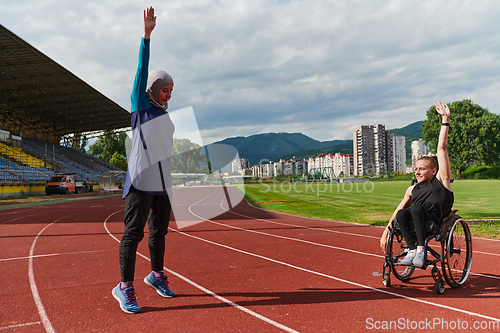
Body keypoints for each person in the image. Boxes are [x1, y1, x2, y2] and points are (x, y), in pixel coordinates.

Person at [112, 6, 176, 314]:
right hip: (140, 181)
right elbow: (141, 70)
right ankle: (124, 286)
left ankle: (157, 275)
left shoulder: (164, 116)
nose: (168, 95)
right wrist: (146, 36)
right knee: (133, 233)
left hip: (162, 183)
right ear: (152, 89)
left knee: (159, 233)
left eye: (171, 91)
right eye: (164, 90)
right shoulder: (141, 108)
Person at [380, 101, 454, 268]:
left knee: (415, 208)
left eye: (422, 169)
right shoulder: (412, 189)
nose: (417, 172)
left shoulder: (442, 180)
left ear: (433, 171)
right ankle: (413, 250)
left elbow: (441, 147)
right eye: (416, 169)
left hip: (435, 219)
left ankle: (421, 250)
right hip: (415, 219)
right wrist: (385, 232)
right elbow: (397, 211)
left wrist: (445, 119)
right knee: (402, 214)